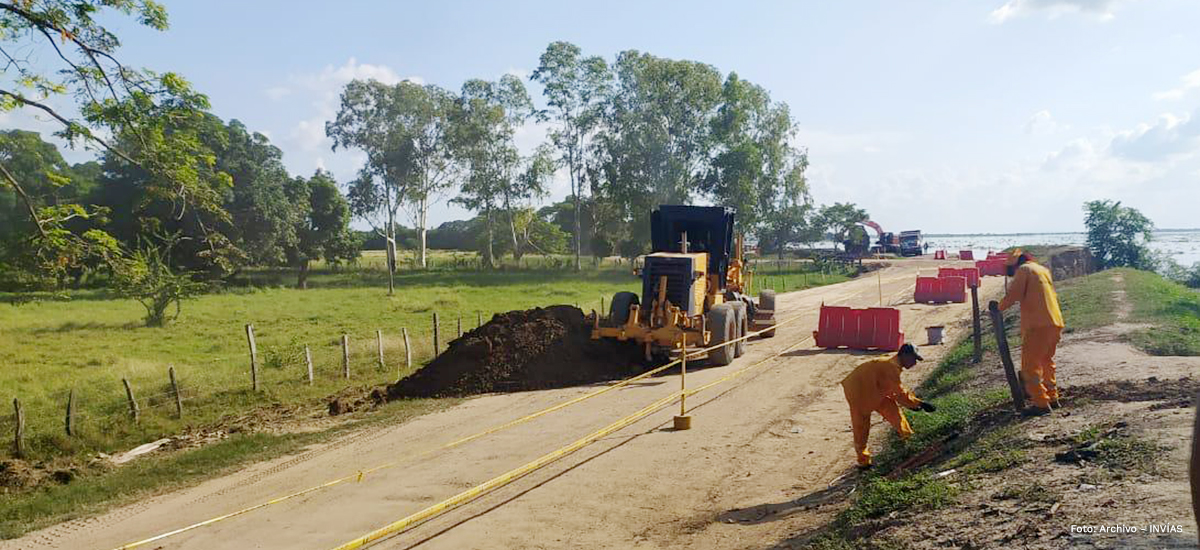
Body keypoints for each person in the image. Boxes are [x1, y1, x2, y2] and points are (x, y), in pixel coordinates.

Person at [989, 249, 1064, 416]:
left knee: (1030, 368)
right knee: (1046, 362)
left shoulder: (1024, 270)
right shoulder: (1041, 270)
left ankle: (1041, 404)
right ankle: (1052, 398)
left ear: (1014, 264)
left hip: (1037, 325)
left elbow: (1013, 294)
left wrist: (998, 308)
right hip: (1054, 322)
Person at [841, 343, 936, 468]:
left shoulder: (891, 366)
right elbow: (899, 394)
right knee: (861, 427)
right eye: (913, 359)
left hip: (876, 390)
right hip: (858, 390)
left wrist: (914, 404)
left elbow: (895, 392)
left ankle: (909, 439)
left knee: (895, 413)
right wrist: (919, 404)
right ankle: (864, 462)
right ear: (905, 355)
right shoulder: (889, 368)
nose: (914, 363)